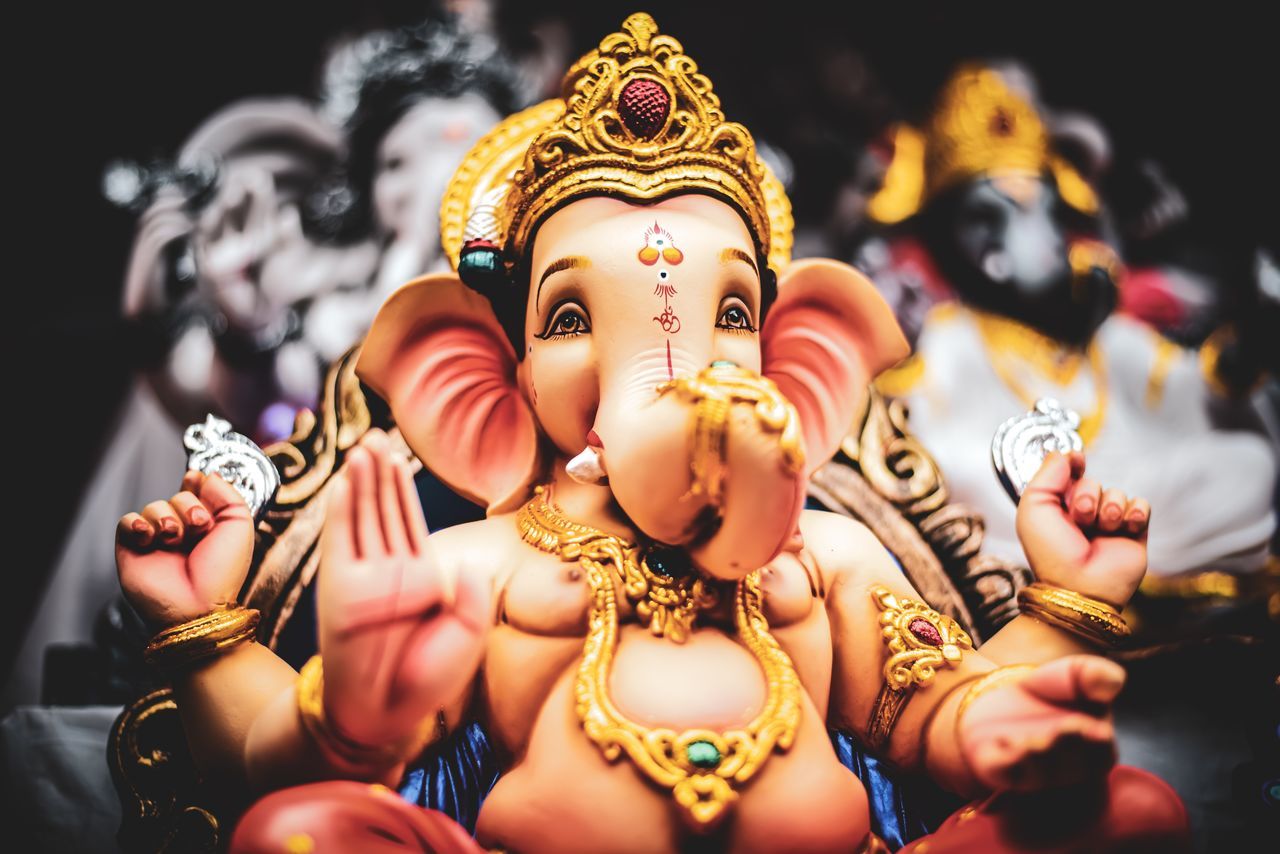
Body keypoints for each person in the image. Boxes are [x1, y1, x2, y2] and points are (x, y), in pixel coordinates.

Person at [116, 15, 1188, 853]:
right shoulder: (477, 566)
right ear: (485, 381)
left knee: (1130, 810)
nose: (672, 360)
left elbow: (935, 700)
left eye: (729, 315)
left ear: (795, 360)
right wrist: (300, 689)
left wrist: (1025, 671)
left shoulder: (828, 559)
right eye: (573, 317)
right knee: (291, 834)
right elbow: (270, 769)